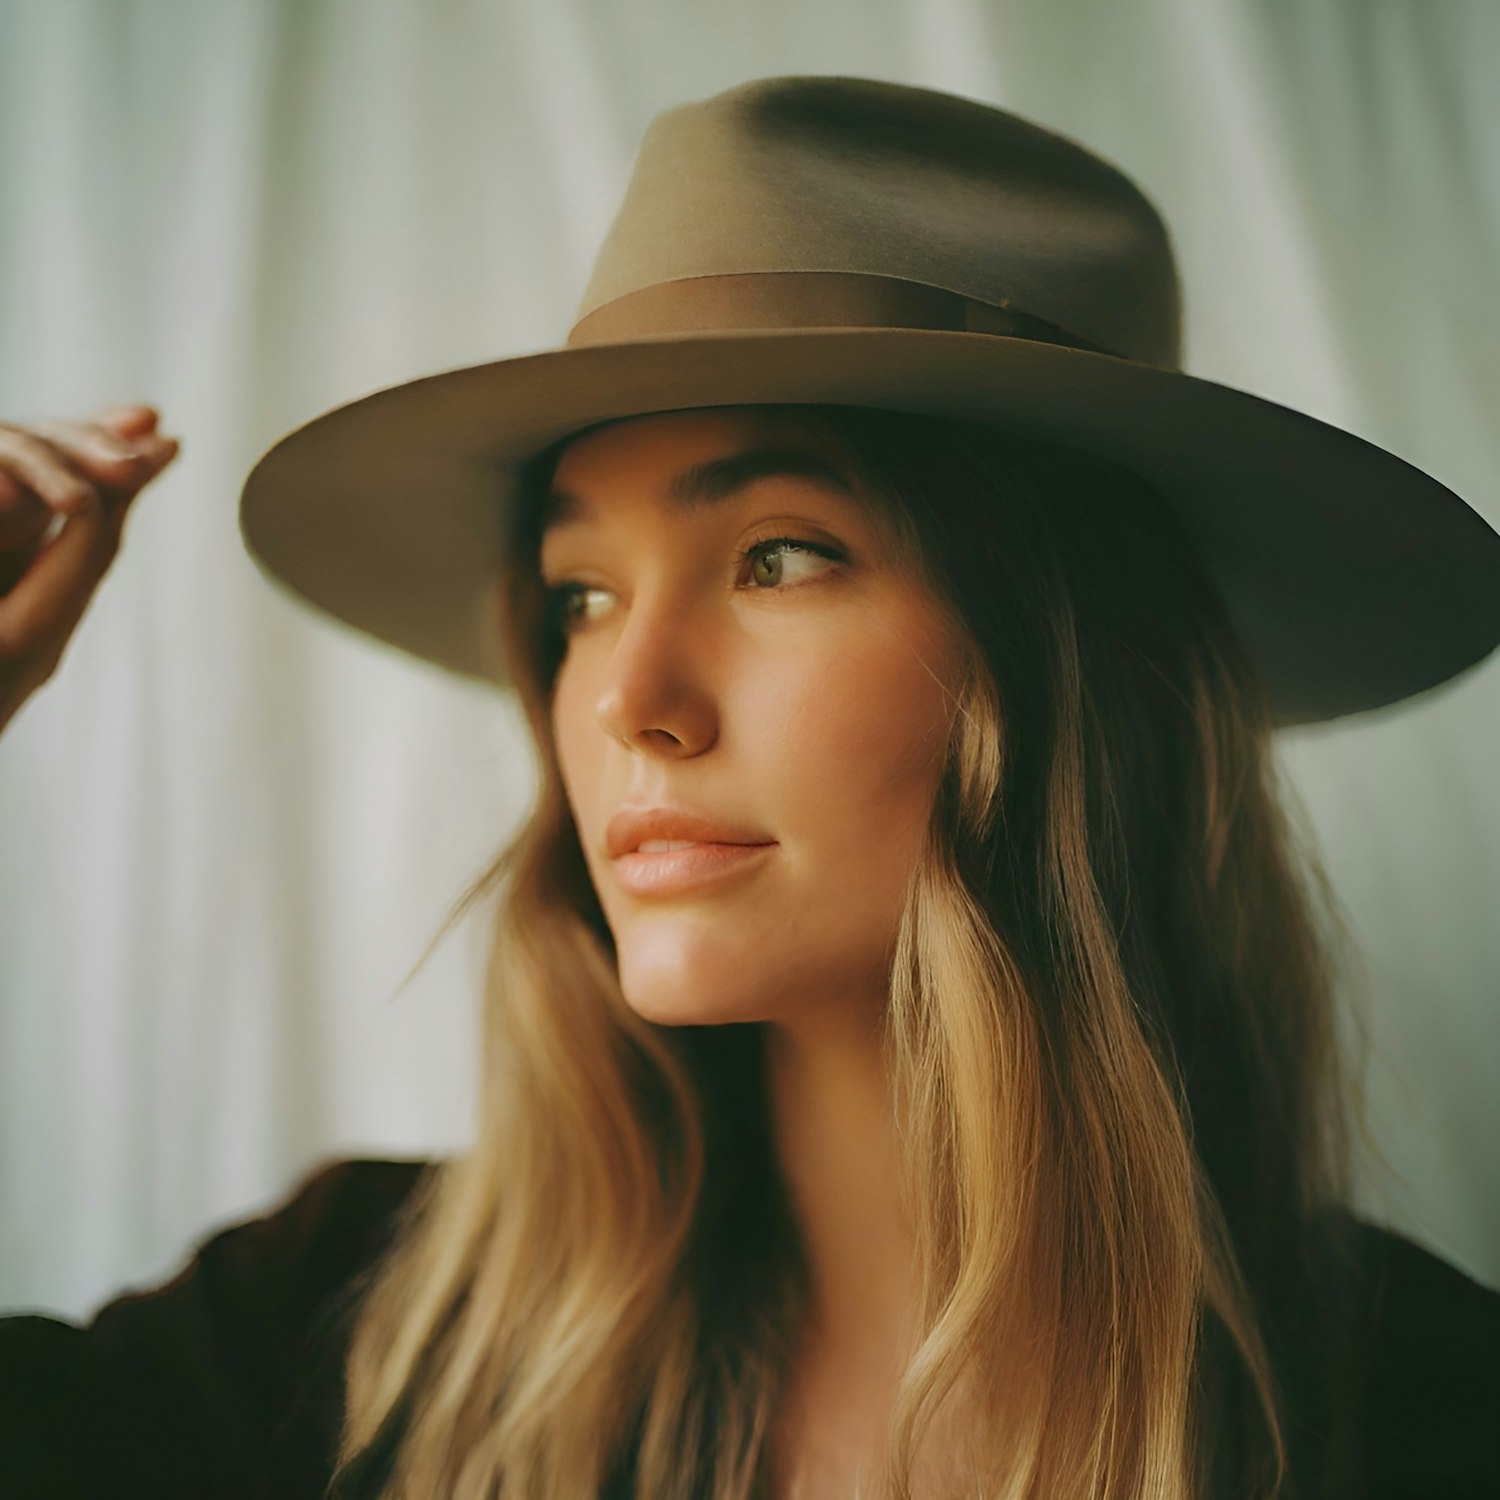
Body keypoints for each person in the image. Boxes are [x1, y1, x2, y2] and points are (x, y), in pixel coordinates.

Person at [2, 74, 1499, 1500]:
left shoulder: (1423, 1412)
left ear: (1079, 673)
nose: (629, 704)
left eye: (778, 556)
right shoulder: (344, 1329)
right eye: (578, 594)